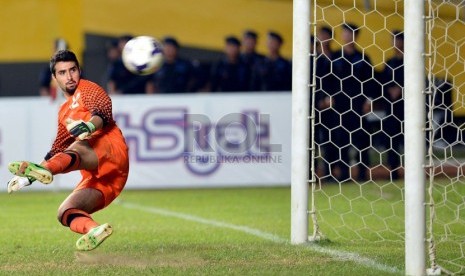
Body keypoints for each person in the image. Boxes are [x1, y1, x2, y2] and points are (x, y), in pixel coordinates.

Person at [7, 50, 129, 251]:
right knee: (65, 212)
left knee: (78, 145)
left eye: (73, 70)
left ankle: (45, 170)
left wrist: (89, 127)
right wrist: (26, 178)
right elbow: (58, 149)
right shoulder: (64, 111)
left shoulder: (88, 89)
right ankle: (94, 230)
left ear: (79, 70)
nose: (69, 76)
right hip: (105, 179)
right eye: (62, 72)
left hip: (111, 151)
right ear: (54, 78)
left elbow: (103, 112)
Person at [331, 23, 373, 182]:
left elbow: (370, 81)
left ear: (355, 36)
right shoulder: (335, 57)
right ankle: (343, 174)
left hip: (358, 105)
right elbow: (328, 80)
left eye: (350, 33)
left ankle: (363, 174)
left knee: (361, 139)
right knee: (340, 140)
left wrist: (369, 100)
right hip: (340, 106)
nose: (347, 36)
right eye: (344, 33)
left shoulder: (363, 58)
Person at [313, 26, 340, 182]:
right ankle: (312, 174)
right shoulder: (311, 58)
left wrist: (332, 98)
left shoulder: (337, 57)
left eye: (325, 35)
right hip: (315, 106)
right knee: (313, 140)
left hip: (333, 106)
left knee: (331, 140)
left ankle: (331, 173)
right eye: (320, 35)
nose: (322, 38)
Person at [381, 30, 404, 180]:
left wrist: (401, 90)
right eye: (393, 40)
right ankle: (394, 171)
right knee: (391, 140)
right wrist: (390, 90)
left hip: (405, 107)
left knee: (409, 139)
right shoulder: (389, 63)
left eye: (397, 40)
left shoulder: (411, 62)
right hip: (391, 107)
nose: (394, 43)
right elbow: (382, 82)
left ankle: (413, 170)